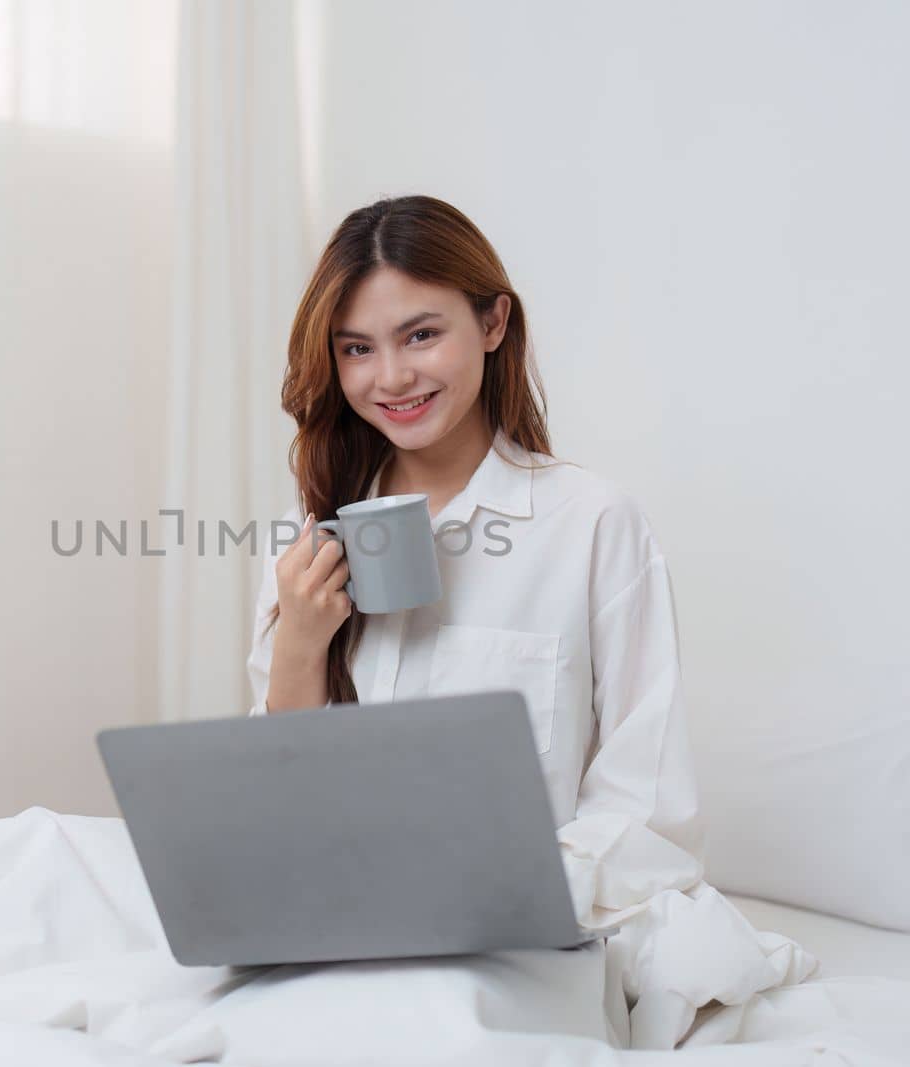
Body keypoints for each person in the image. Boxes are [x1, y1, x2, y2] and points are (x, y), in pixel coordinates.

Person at [245, 194, 705, 932]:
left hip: (516, 926)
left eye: (420, 334)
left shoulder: (592, 524)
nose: (390, 376)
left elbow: (646, 816)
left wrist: (497, 894)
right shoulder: (310, 542)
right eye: (356, 347)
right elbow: (277, 811)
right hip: (340, 917)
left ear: (493, 324)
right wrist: (300, 642)